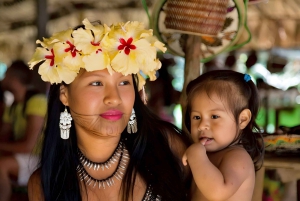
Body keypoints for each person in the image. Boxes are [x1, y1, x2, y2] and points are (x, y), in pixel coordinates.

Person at [27, 19, 191, 201]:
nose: (114, 98)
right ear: (64, 95)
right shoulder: (45, 184)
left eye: (124, 82)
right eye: (96, 83)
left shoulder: (166, 146)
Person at [182, 70, 264, 201]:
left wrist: (196, 155)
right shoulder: (206, 153)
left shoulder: (238, 158)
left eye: (214, 116)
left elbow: (217, 193)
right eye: (196, 117)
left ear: (242, 119)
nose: (202, 125)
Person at [0, 60, 47, 201]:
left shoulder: (37, 101)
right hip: (24, 155)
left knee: (1, 165)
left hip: (40, 158)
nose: (2, 79)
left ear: (14, 79)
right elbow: (4, 136)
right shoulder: (14, 105)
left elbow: (29, 147)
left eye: (6, 75)